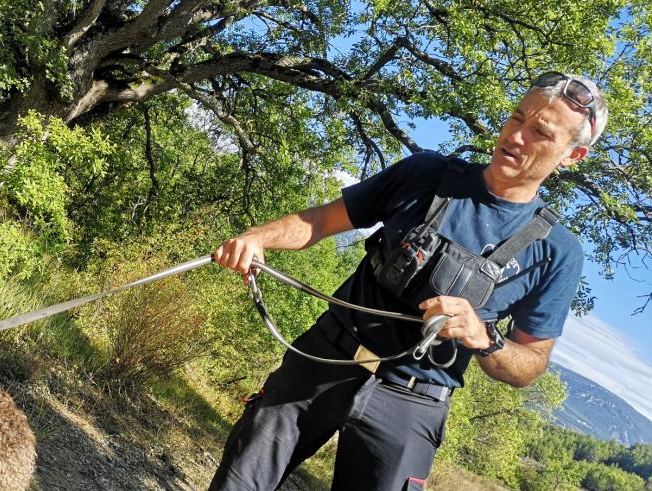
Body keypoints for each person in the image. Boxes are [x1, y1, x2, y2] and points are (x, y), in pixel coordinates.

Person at [209, 72, 608, 491]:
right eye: (516, 118)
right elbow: (321, 220)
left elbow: (531, 363)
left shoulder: (556, 251)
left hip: (414, 402)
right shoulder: (426, 174)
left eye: (540, 132)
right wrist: (257, 238)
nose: (517, 135)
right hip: (324, 359)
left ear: (572, 155)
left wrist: (483, 336)